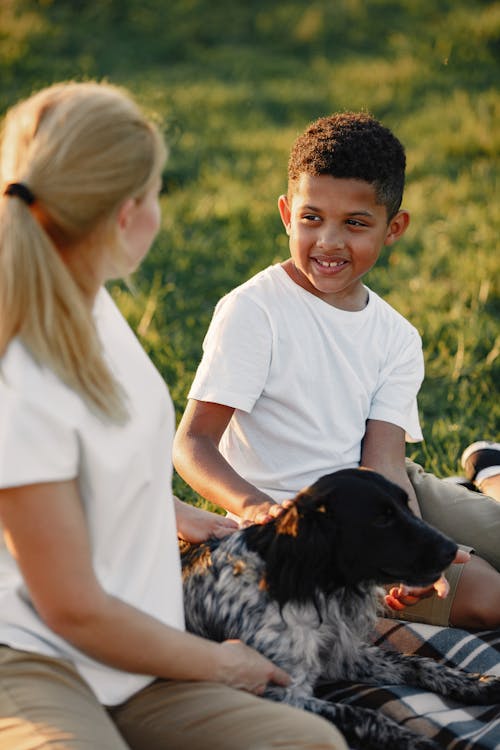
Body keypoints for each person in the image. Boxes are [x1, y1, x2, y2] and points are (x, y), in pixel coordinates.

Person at [0, 82, 348, 750]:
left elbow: (86, 468)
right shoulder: (21, 369)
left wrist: (171, 513)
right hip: (35, 659)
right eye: (158, 192)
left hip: (134, 655)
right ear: (128, 214)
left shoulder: (88, 302)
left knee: (311, 744)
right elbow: (70, 606)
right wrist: (221, 663)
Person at [173, 112, 500, 630]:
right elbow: (192, 445)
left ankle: (490, 473)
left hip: (387, 495)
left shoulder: (396, 337)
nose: (328, 242)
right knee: (489, 598)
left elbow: (384, 466)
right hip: (309, 532)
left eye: (355, 223)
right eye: (311, 218)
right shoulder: (254, 311)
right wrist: (258, 508)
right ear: (286, 213)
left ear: (394, 228)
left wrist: (409, 539)